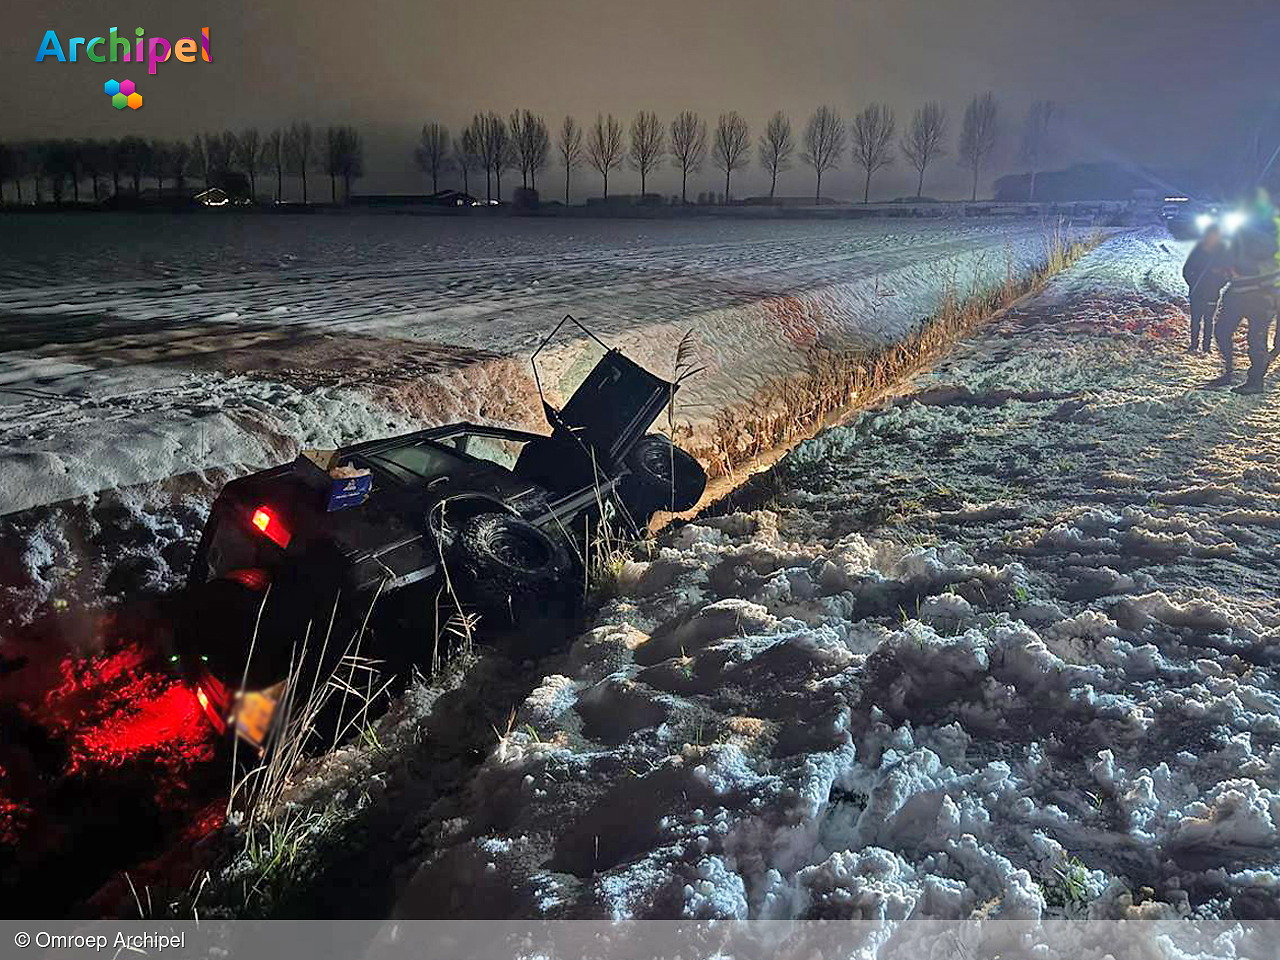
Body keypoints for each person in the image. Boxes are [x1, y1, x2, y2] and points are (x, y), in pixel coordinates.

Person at [1209, 188, 1280, 394]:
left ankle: (1255, 382)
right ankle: (1230, 372)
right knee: (1222, 331)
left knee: (1256, 338)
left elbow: (1262, 258)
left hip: (1262, 293)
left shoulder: (1269, 229)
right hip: (1240, 291)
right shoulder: (1243, 228)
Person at [1182, 223, 1230, 352]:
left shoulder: (1223, 251)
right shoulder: (1198, 250)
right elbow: (1186, 270)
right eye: (1210, 235)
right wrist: (1193, 283)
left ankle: (1206, 347)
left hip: (1212, 293)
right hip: (1197, 291)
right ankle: (1193, 345)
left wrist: (1217, 286)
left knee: (1209, 320)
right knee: (1195, 320)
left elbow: (1227, 273)